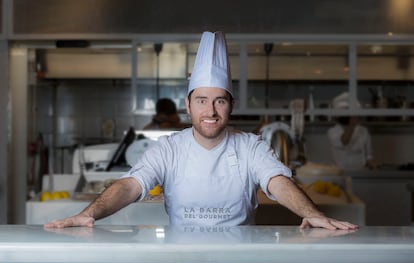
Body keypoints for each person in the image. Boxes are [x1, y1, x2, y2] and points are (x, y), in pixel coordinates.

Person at [45, 31, 358, 231]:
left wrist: (312, 213)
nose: (210, 111)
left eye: (219, 101)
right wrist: (90, 214)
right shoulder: (169, 148)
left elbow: (277, 182)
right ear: (188, 104)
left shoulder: (250, 147)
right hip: (181, 259)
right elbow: (130, 185)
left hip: (240, 261)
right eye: (202, 100)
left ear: (230, 104)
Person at [327, 92, 377, 170]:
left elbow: (369, 156)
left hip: (361, 174)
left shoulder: (364, 131)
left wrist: (373, 166)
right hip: (340, 174)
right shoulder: (332, 131)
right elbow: (344, 141)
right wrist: (351, 125)